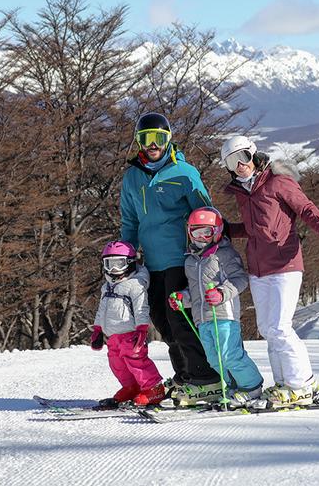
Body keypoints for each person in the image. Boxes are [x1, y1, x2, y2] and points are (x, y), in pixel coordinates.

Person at [220, 135, 319, 407]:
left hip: (285, 264)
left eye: (243, 157)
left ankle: (302, 385)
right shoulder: (243, 192)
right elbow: (255, 229)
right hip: (258, 268)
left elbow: (305, 209)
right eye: (232, 161)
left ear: (254, 155)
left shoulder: (278, 181)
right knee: (266, 328)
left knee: (280, 327)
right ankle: (283, 383)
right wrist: (229, 229)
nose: (240, 165)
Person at [120, 112, 221, 402]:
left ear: (169, 140)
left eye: (159, 139)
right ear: (138, 142)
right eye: (146, 139)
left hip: (181, 258)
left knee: (182, 321)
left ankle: (206, 377)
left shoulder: (184, 173)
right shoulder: (132, 177)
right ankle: (185, 376)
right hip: (151, 262)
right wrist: (127, 256)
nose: (152, 145)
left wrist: (208, 252)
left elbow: (206, 215)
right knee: (162, 322)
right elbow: (129, 221)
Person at [168, 206, 264, 405]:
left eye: (207, 232)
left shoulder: (225, 254)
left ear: (218, 231)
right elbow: (196, 293)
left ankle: (251, 387)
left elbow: (240, 279)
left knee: (230, 355)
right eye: (196, 232)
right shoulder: (191, 260)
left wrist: (221, 293)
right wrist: (182, 298)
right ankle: (233, 387)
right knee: (214, 360)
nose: (201, 237)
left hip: (223, 315)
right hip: (202, 318)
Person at [91, 241, 165, 408]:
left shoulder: (135, 285)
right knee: (117, 363)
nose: (114, 270)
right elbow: (102, 309)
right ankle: (132, 387)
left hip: (131, 334)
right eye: (109, 264)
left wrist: (142, 329)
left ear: (130, 263)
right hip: (112, 336)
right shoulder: (107, 286)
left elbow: (141, 309)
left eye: (119, 264)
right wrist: (97, 329)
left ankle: (154, 388)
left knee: (136, 362)